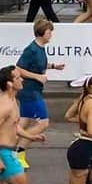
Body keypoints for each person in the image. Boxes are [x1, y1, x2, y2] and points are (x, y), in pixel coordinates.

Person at [15, 20, 64, 158]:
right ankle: (19, 151)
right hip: (29, 91)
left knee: (23, 121)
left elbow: (39, 64)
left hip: (33, 90)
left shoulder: (40, 48)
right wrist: (38, 77)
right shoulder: (31, 49)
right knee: (43, 123)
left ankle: (4, 147)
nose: (51, 35)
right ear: (41, 33)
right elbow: (18, 68)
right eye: (49, 32)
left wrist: (54, 66)